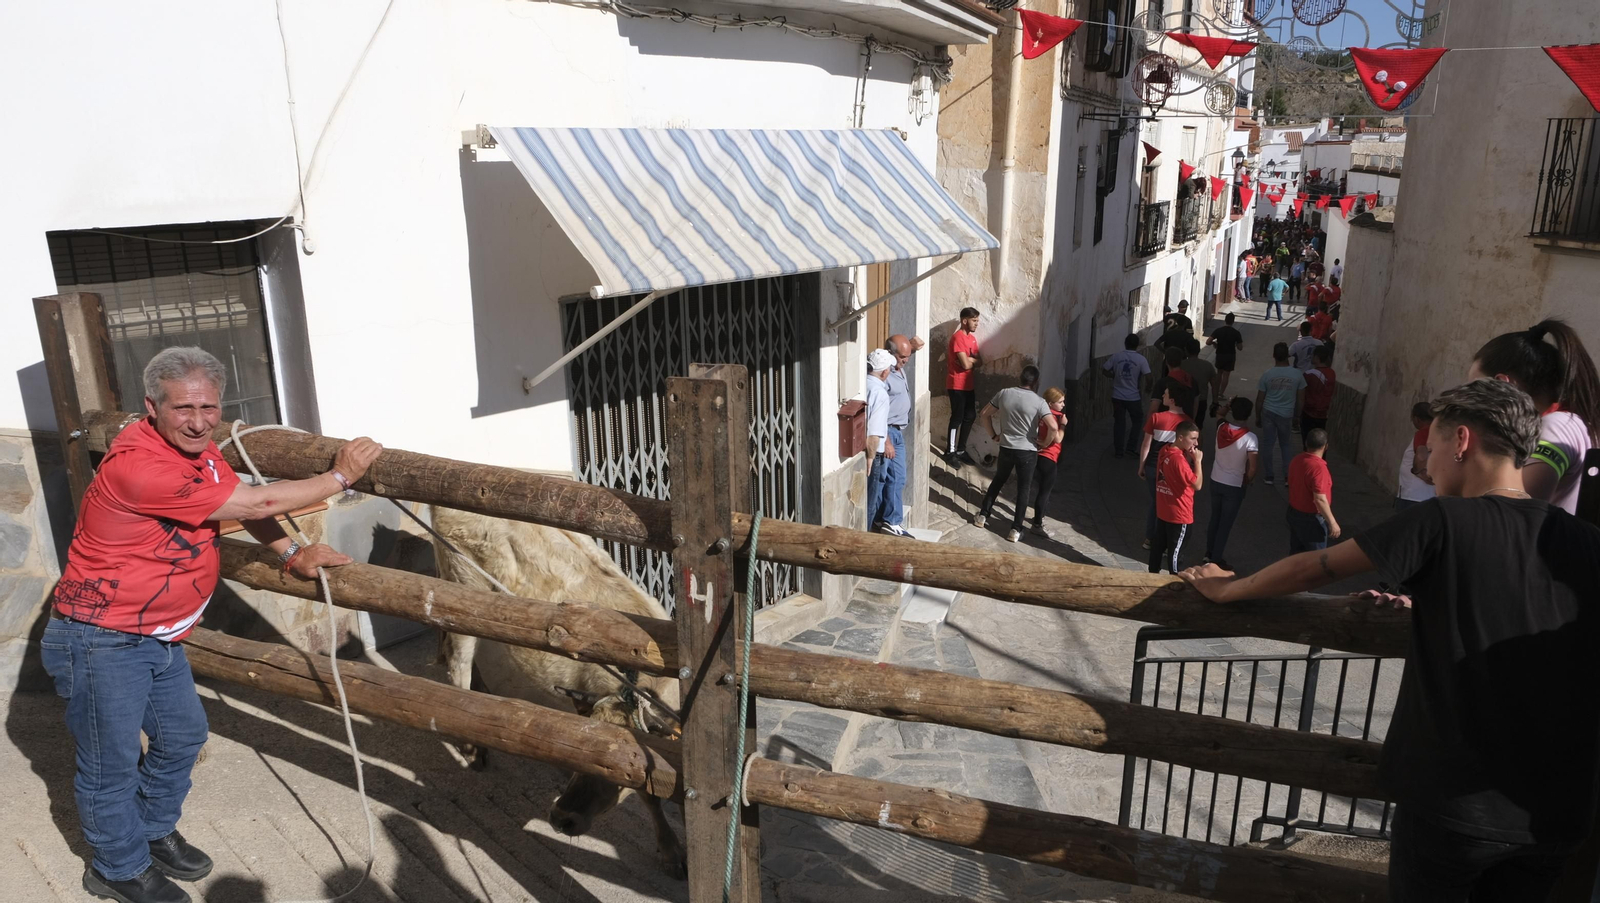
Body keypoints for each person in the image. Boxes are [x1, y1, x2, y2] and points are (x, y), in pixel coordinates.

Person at [1181, 379, 1600, 903]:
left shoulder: (1444, 520)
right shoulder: (1587, 540)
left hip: (1454, 809)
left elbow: (1317, 567)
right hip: (1555, 813)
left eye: (1432, 446)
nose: (1427, 464)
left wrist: (1228, 589)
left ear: (1462, 442)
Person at [41, 347, 382, 903]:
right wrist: (341, 476)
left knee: (182, 737)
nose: (199, 422)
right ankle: (116, 868)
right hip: (101, 638)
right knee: (110, 765)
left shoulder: (200, 455)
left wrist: (293, 553)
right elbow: (256, 503)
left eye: (209, 408)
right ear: (153, 406)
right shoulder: (138, 465)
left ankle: (150, 832)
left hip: (158, 635)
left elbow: (243, 505)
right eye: (183, 408)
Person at [1468, 318, 1600, 515]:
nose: (1470, 400)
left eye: (1475, 387)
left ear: (1503, 384)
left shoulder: (1552, 428)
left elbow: (1516, 513)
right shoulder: (1575, 422)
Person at [975, 365, 1057, 543]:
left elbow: (984, 414)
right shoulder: (1039, 402)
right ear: (1036, 382)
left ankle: (982, 515)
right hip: (1027, 451)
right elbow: (1053, 426)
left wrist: (994, 435)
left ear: (1021, 378)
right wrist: (1045, 443)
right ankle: (1016, 529)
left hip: (1006, 447)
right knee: (1023, 489)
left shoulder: (1004, 393)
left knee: (998, 480)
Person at [874, 335, 924, 536]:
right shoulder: (884, 374)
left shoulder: (897, 366)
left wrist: (912, 347)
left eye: (908, 356)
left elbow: (903, 349)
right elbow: (878, 411)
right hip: (888, 432)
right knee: (894, 477)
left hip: (897, 431)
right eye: (903, 357)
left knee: (893, 477)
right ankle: (891, 521)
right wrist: (886, 440)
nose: (906, 361)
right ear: (890, 354)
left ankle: (882, 518)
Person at [1138, 380, 1195, 550]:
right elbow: (1190, 451)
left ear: (1172, 400)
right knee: (1171, 505)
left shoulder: (1156, 418)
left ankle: (1150, 538)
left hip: (1153, 467)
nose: (1163, 395)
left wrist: (1142, 465)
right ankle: (1166, 542)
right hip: (1175, 470)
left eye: (1166, 393)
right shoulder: (1188, 423)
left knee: (1155, 502)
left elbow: (1146, 444)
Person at [1205, 397, 1258, 569]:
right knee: (1225, 523)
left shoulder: (1221, 427)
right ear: (1249, 414)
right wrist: (1247, 481)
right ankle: (1216, 558)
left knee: (1215, 518)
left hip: (1216, 479)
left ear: (1233, 412)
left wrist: (1228, 405)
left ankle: (1209, 552)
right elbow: (1252, 468)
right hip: (1234, 485)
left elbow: (1219, 414)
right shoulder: (1250, 438)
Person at [1150, 421, 1203, 574]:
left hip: (1164, 510)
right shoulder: (1178, 460)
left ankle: (1152, 575)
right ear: (1180, 437)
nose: (1196, 443)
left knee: (1158, 546)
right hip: (1180, 514)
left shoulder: (1165, 450)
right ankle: (1175, 579)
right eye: (1193, 438)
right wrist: (1198, 461)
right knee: (1176, 553)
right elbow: (1197, 484)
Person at [1256, 342, 1303, 487]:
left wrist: (1257, 416)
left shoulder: (1267, 374)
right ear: (1288, 356)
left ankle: (1269, 476)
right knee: (1286, 445)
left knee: (1268, 444)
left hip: (1268, 412)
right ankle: (1287, 476)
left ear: (1274, 356)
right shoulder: (1297, 375)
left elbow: (1260, 398)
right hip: (1286, 414)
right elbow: (1301, 399)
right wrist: (1297, 416)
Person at [1286, 427, 1339, 552]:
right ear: (1326, 446)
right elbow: (1320, 499)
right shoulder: (1319, 469)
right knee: (1316, 559)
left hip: (1294, 513)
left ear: (1306, 443)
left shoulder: (1297, 460)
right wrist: (1332, 522)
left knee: (1297, 555)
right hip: (1311, 520)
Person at [864, 348, 897, 532]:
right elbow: (874, 431)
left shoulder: (863, 384)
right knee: (869, 503)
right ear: (884, 372)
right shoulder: (880, 393)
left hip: (862, 449)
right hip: (873, 453)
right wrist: (870, 459)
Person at [1030, 388, 1069, 538]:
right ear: (1050, 403)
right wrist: (1063, 425)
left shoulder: (1040, 414)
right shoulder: (1057, 417)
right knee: (1044, 493)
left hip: (1037, 455)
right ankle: (1037, 524)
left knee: (1038, 489)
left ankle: (1037, 518)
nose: (1063, 405)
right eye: (1060, 402)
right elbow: (1058, 438)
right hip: (1049, 457)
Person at [1104, 333, 1151, 458]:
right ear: (1137, 345)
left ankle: (1119, 450)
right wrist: (1148, 388)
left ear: (1125, 343)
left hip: (1117, 395)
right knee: (1137, 421)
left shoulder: (1116, 356)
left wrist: (1114, 376)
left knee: (1119, 423)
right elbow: (1149, 376)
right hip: (1133, 397)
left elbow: (1104, 370)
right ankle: (1131, 447)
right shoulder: (1141, 359)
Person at [945, 307, 982, 466]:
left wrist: (970, 360)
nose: (977, 323)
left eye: (977, 320)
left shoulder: (972, 339)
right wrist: (970, 361)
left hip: (968, 384)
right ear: (964, 320)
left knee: (970, 416)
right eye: (974, 320)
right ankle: (950, 452)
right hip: (956, 384)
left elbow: (980, 361)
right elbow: (966, 365)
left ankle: (961, 450)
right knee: (957, 418)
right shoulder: (958, 338)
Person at [1395, 401, 1435, 510]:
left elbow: (1421, 456)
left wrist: (1419, 472)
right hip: (1424, 496)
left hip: (1413, 495)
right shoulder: (1437, 433)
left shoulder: (1424, 432)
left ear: (1417, 419)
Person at [1300, 345, 1336, 447]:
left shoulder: (1309, 374)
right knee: (1321, 442)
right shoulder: (1332, 373)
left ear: (1317, 357)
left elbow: (1302, 394)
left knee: (1308, 443)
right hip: (1323, 413)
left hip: (1309, 413)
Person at [1178, 344, 1218, 434]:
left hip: (1184, 400)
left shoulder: (1181, 365)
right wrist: (1215, 401)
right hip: (1201, 400)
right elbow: (1214, 385)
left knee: (1182, 427)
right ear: (1198, 351)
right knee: (1197, 428)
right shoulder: (1207, 365)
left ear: (1186, 351)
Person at [1207, 313, 1244, 399]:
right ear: (1233, 321)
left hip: (1220, 354)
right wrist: (1235, 343)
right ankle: (1221, 393)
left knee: (1219, 373)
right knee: (1226, 375)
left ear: (1225, 320)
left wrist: (1214, 343)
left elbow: (1208, 342)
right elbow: (1240, 347)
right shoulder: (1236, 333)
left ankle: (1215, 392)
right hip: (1230, 355)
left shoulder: (1218, 330)